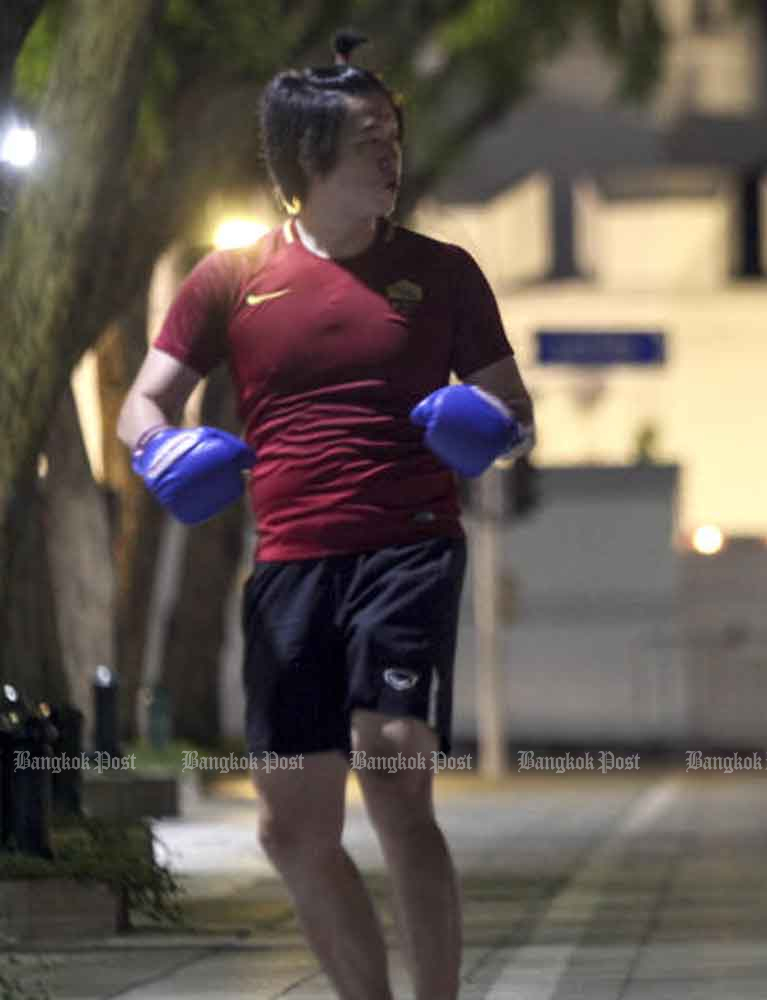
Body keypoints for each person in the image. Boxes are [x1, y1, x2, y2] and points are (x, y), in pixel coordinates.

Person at [116, 32, 532, 1000]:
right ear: (309, 158)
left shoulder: (443, 271)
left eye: (395, 135)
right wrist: (157, 448)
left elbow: (515, 410)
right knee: (289, 830)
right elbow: (144, 401)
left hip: (410, 549)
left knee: (393, 776)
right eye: (369, 139)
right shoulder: (230, 277)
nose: (392, 155)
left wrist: (494, 427)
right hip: (291, 564)